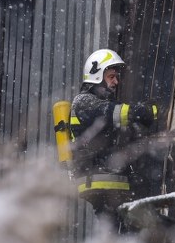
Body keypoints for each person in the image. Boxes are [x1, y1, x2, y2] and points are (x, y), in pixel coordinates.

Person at [68, 48, 159, 231]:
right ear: (96, 75)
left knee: (122, 233)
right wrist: (144, 111)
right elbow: (114, 113)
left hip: (110, 180)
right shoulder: (84, 102)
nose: (116, 82)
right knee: (116, 233)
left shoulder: (101, 103)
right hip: (97, 179)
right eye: (111, 77)